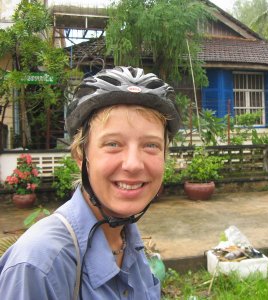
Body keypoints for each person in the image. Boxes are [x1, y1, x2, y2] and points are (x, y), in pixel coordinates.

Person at [0, 66, 181, 299]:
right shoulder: (39, 265)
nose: (134, 164)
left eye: (151, 145)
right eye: (113, 144)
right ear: (80, 155)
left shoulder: (127, 240)